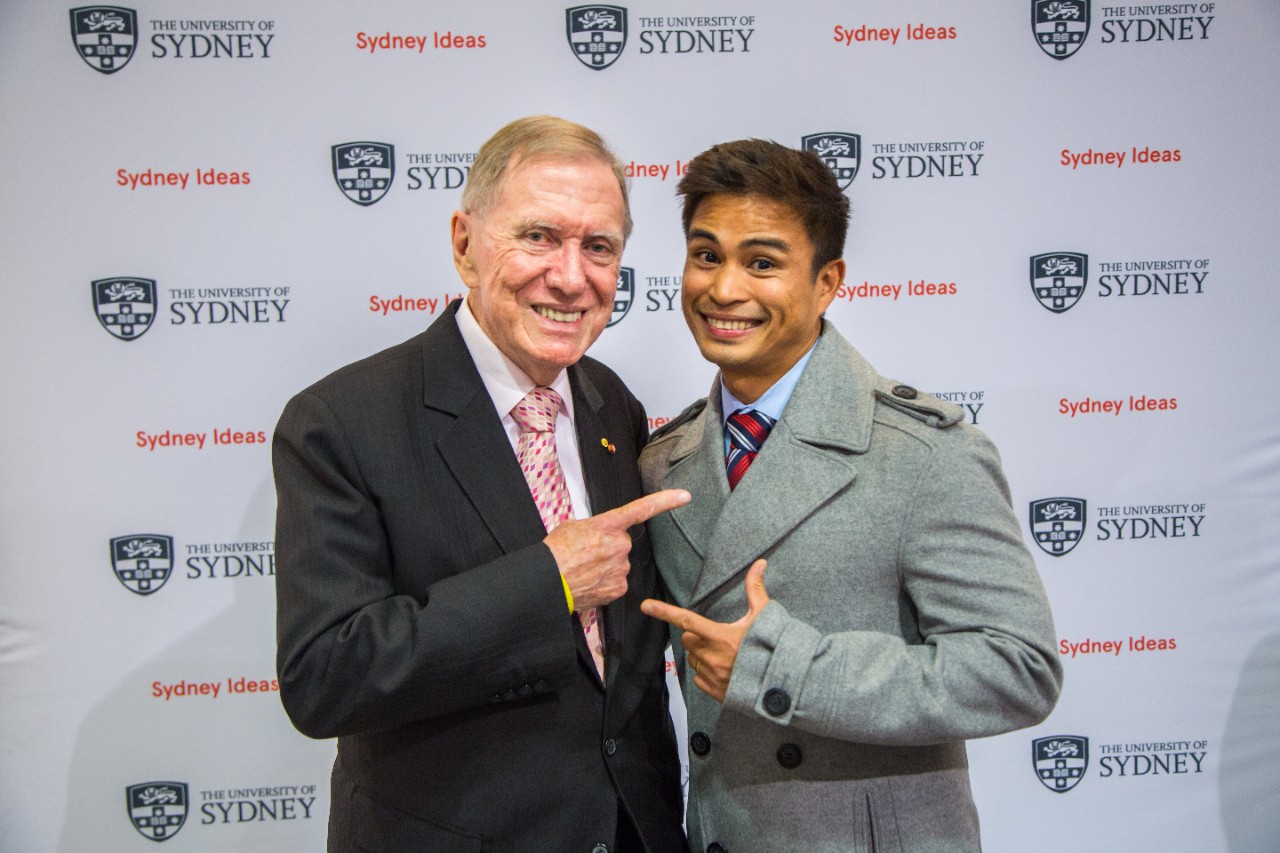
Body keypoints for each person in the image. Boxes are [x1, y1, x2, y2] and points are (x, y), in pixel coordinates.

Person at [273, 115, 689, 853]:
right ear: (464, 244)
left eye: (598, 247)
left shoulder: (610, 403)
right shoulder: (341, 421)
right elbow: (326, 676)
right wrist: (549, 582)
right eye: (539, 237)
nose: (571, 276)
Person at [639, 139, 1063, 853]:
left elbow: (1018, 669)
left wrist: (785, 669)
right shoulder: (663, 460)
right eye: (706, 255)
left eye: (762, 263)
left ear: (827, 282)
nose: (724, 289)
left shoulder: (924, 452)